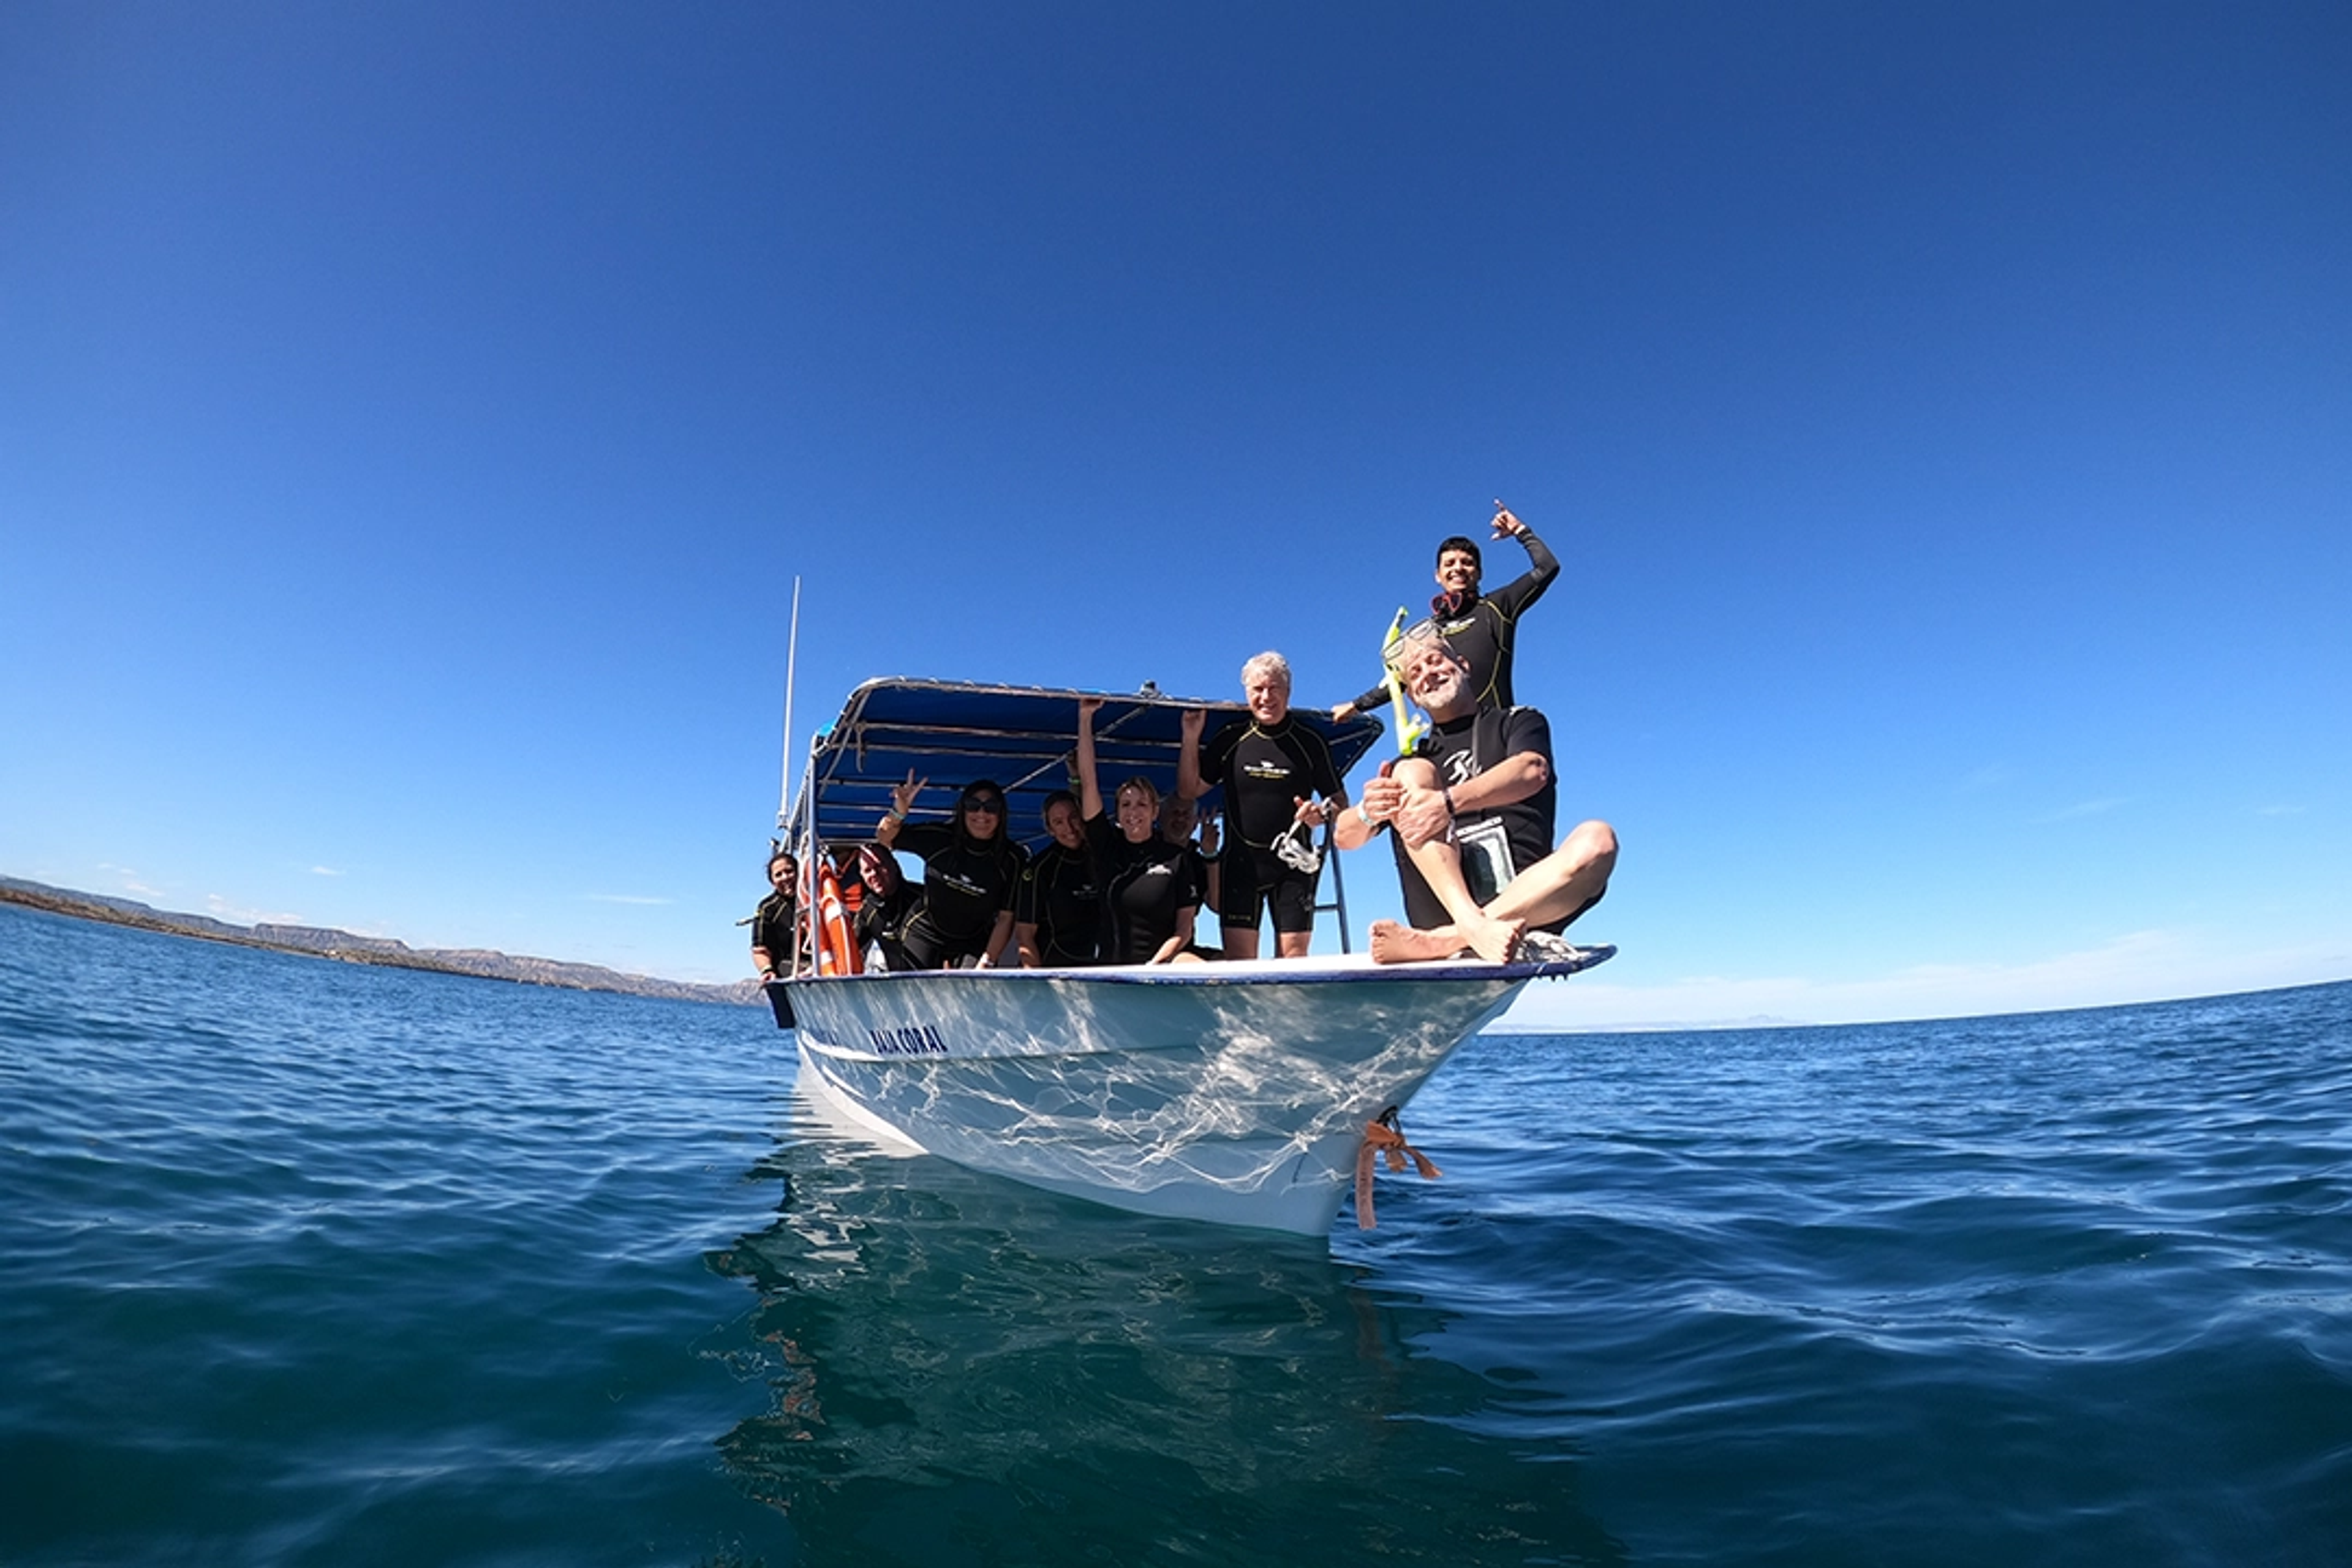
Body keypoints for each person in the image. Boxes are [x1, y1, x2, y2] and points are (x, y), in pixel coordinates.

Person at [1333, 631, 1616, 963]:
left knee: (1599, 839)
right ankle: (1468, 922)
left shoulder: (1517, 721)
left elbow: (1532, 770)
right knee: (1410, 773)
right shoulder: (1410, 761)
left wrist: (1447, 802)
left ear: (1463, 666)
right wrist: (1368, 811)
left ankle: (1447, 939)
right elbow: (1344, 837)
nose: (1428, 672)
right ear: (1412, 697)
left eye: (1435, 660)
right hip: (1444, 908)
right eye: (1416, 672)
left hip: (1528, 907)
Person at [1179, 652, 1346, 960]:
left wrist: (1320, 814)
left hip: (1294, 865)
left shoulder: (1310, 742)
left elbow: (1340, 803)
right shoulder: (1231, 739)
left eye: (1275, 688)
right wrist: (1191, 738)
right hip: (1241, 864)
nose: (1266, 697)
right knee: (1240, 962)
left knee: (1294, 959)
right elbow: (1189, 790)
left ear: (1288, 692)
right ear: (1247, 693)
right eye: (1258, 689)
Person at [1332, 502, 1559, 722]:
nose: (1458, 568)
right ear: (1437, 576)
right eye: (1449, 564)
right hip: (1449, 740)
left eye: (1467, 562)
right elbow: (1400, 680)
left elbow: (1547, 567)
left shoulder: (1497, 607)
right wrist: (1356, 705)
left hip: (1498, 733)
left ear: (1479, 573)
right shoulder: (1427, 632)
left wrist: (1521, 531)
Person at [1078, 698, 1203, 965]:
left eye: (1142, 804)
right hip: (1113, 973)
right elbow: (1089, 784)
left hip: (1160, 970)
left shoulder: (1176, 859)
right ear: (1118, 813)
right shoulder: (1107, 847)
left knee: (1196, 963)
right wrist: (1085, 718)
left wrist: (1156, 965)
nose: (1133, 812)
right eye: (1126, 805)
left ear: (1155, 812)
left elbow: (1184, 930)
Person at [875, 772, 1028, 968]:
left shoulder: (1012, 859)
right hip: (926, 930)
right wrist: (898, 812)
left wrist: (987, 961)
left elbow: (1006, 919)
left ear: (1001, 814)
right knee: (917, 991)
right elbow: (884, 838)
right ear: (962, 810)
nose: (981, 814)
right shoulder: (941, 838)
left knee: (973, 993)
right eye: (973, 806)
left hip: (973, 939)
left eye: (991, 808)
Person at [1015, 789, 1102, 968]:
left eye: (1074, 818)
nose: (1069, 828)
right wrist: (1036, 982)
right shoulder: (1040, 868)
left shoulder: (1103, 857)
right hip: (1055, 967)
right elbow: (1025, 935)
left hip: (1101, 966)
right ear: (1050, 829)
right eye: (1059, 822)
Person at [853, 842, 921, 973]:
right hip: (896, 986)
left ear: (894, 865)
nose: (874, 874)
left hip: (935, 984)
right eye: (868, 870)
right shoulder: (868, 909)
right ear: (862, 875)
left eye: (880, 866)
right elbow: (849, 946)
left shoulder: (922, 898)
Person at [749, 848, 797, 981]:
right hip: (786, 970)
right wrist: (767, 970)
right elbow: (760, 949)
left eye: (789, 871)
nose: (785, 878)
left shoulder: (821, 900)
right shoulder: (767, 908)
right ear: (772, 882)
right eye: (779, 875)